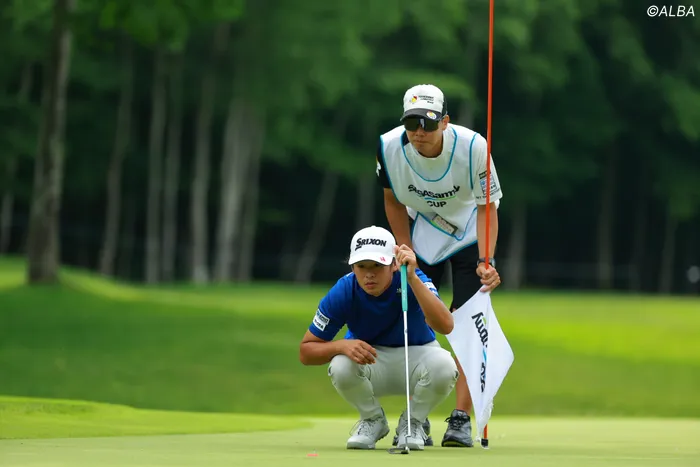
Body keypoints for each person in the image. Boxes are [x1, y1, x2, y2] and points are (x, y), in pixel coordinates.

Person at [375, 84, 503, 448]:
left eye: (428, 123)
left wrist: (486, 260)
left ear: (445, 122)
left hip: (469, 231)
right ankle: (416, 418)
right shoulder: (388, 147)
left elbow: (487, 206)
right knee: (416, 323)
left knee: (468, 322)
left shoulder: (474, 147)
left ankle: (461, 417)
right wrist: (405, 251)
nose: (419, 132)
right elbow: (393, 201)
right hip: (421, 231)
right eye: (412, 123)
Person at [299, 225, 459, 451]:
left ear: (394, 264)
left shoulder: (412, 278)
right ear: (352, 266)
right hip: (370, 362)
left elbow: (446, 325)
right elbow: (306, 352)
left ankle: (413, 422)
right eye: (361, 266)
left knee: (445, 365)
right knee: (340, 364)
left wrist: (413, 279)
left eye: (377, 265)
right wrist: (341, 346)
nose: (369, 274)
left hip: (417, 358)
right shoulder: (345, 289)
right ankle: (372, 420)